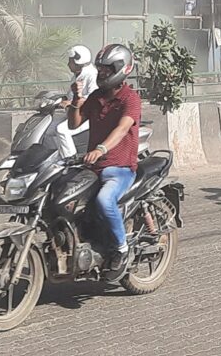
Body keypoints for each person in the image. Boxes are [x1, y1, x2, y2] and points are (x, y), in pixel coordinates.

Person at [67, 43, 140, 278]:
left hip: (119, 168)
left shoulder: (131, 99)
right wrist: (77, 99)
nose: (102, 74)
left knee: (104, 199)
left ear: (121, 69)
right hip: (93, 168)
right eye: (100, 69)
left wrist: (100, 148)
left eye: (107, 70)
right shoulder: (97, 97)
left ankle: (121, 249)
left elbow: (122, 129)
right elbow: (73, 123)